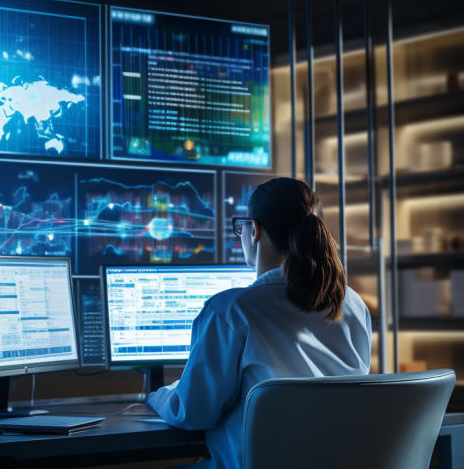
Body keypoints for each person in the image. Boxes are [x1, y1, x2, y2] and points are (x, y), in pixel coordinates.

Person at [146, 177, 373, 469]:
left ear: (254, 230)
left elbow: (193, 413)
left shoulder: (231, 310)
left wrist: (158, 397)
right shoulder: (352, 304)